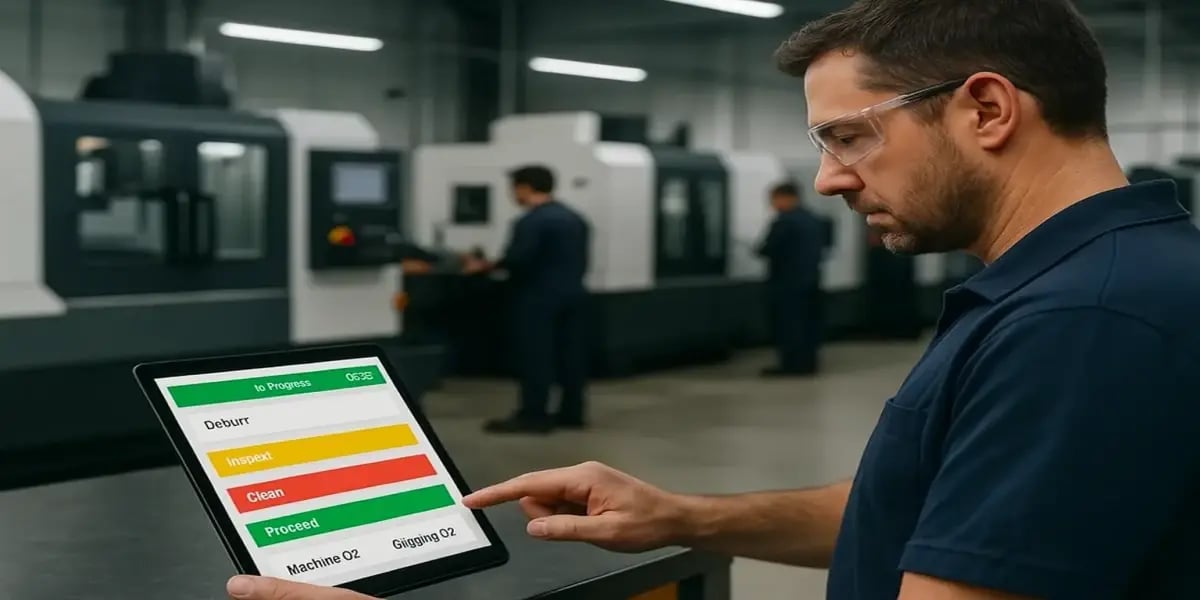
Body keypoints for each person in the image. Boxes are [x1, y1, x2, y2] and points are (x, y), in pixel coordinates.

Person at [219, 0, 1200, 598]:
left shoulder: (1083, 322)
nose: (828, 181)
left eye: (848, 137)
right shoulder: (1111, 279)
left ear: (986, 108)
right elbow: (946, 516)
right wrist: (682, 514)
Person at [466, 165, 592, 434]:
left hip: (537, 299)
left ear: (524, 188)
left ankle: (534, 415)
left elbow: (517, 261)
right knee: (570, 356)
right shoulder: (575, 219)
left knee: (536, 358)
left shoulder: (530, 222)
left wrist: (485, 267)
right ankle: (572, 413)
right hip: (574, 295)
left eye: (514, 189)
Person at [755, 181, 827, 376]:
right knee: (808, 325)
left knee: (788, 326)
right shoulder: (813, 219)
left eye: (774, 200)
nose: (773, 205)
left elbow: (768, 249)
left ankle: (791, 366)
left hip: (786, 285)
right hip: (811, 281)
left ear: (786, 198)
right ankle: (808, 364)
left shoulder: (784, 221)